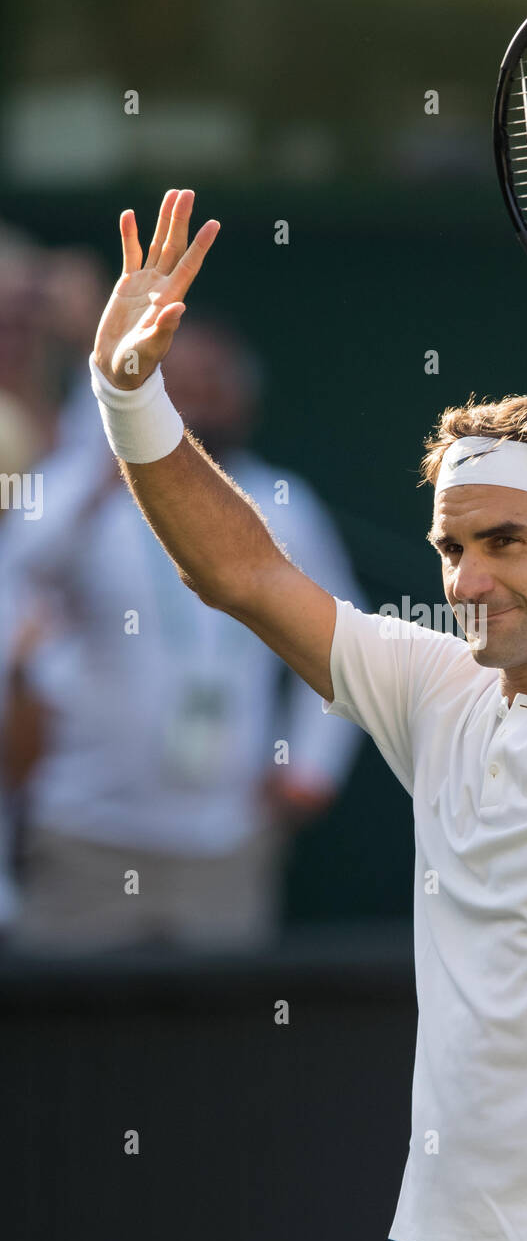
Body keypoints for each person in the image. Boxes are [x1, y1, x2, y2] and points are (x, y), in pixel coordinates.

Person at [87, 187, 527, 1241]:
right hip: (438, 1240)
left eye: (503, 542)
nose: (469, 580)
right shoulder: (434, 687)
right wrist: (127, 393)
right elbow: (241, 571)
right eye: (453, 549)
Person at [1, 310, 364, 955]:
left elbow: (341, 643)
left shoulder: (283, 502)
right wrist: (103, 469)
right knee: (66, 1042)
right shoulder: (85, 489)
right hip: (84, 832)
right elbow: (23, 568)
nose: (197, 400)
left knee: (214, 1043)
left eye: (214, 383)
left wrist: (309, 768)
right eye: (178, 384)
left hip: (222, 844)